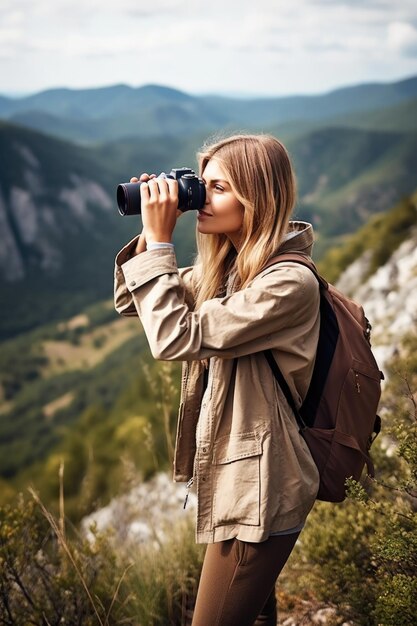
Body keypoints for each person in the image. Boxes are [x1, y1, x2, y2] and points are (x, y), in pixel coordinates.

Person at [114, 134, 320, 626]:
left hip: (260, 491)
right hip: (240, 479)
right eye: (199, 186)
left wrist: (162, 240)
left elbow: (171, 339)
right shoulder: (229, 272)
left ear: (257, 198)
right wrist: (151, 234)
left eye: (218, 188)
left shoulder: (287, 283)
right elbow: (130, 300)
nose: (202, 198)